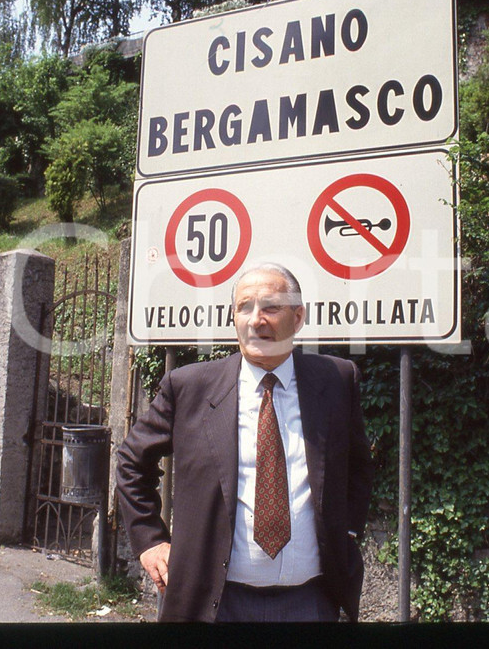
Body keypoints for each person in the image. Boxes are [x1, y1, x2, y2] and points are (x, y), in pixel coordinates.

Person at [116, 263, 374, 622]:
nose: (256, 320)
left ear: (298, 317)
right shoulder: (189, 386)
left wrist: (347, 531)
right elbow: (131, 462)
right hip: (214, 605)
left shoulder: (336, 379)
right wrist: (150, 540)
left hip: (311, 602)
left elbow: (359, 465)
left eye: (270, 307)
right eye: (244, 307)